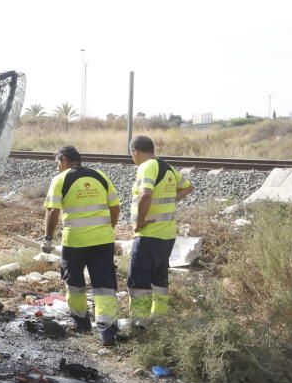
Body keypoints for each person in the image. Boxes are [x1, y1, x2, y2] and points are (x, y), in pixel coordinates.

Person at [43, 145, 122, 345]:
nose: (56, 168)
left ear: (63, 160)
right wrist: (108, 228)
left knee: (75, 284)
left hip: (75, 242)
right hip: (103, 241)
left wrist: (48, 238)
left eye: (57, 163)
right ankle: (107, 333)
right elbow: (115, 206)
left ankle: (82, 325)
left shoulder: (60, 179)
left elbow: (52, 212)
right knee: (105, 286)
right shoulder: (100, 176)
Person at [127, 135, 194, 327]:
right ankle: (159, 319)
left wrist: (140, 221)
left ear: (135, 152)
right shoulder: (167, 167)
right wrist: (169, 200)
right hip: (167, 236)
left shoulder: (146, 167)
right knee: (159, 280)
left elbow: (146, 194)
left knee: (139, 280)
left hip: (148, 234)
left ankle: (140, 323)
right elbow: (188, 187)